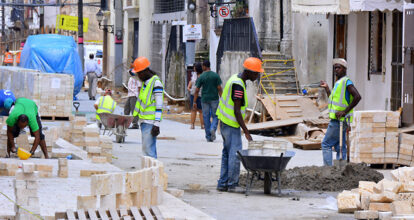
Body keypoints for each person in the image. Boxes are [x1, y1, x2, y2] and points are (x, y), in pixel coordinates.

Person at [216, 57, 262, 192]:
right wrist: (246, 131)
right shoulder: (238, 85)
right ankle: (232, 184)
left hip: (225, 122)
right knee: (235, 154)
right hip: (231, 124)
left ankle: (223, 183)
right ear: (250, 72)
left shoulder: (235, 78)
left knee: (226, 153)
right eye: (257, 73)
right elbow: (237, 111)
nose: (258, 76)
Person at [320, 58, 361, 166]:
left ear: (344, 69)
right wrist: (327, 89)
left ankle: (328, 170)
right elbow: (333, 101)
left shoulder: (346, 82)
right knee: (339, 146)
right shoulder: (338, 83)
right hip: (338, 120)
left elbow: (357, 97)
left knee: (326, 144)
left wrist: (344, 111)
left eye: (338, 68)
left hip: (339, 121)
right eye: (335, 68)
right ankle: (341, 169)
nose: (336, 70)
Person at [132, 56, 164, 158]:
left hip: (150, 123)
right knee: (146, 151)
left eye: (139, 74)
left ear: (145, 71)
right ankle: (150, 171)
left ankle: (152, 172)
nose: (138, 76)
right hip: (144, 121)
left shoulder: (156, 83)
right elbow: (131, 73)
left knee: (149, 152)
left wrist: (157, 124)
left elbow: (159, 105)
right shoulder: (146, 83)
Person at [193, 60, 222, 142]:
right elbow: (219, 88)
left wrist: (194, 101)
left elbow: (197, 90)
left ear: (205, 66)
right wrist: (222, 99)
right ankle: (213, 128)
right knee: (216, 116)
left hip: (204, 99)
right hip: (214, 99)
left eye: (202, 66)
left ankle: (208, 136)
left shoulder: (201, 77)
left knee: (206, 117)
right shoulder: (215, 76)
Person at [187, 62, 204, 129]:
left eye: (195, 67)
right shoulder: (194, 75)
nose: (193, 68)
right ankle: (192, 124)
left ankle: (202, 125)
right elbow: (191, 82)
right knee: (193, 110)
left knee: (200, 110)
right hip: (193, 94)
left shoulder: (202, 75)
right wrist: (189, 87)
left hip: (200, 95)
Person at [124, 64, 142, 129]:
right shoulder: (131, 77)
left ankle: (135, 124)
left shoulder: (137, 78)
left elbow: (139, 87)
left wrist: (139, 96)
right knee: (126, 108)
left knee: (134, 110)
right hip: (130, 95)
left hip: (134, 95)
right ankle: (125, 122)